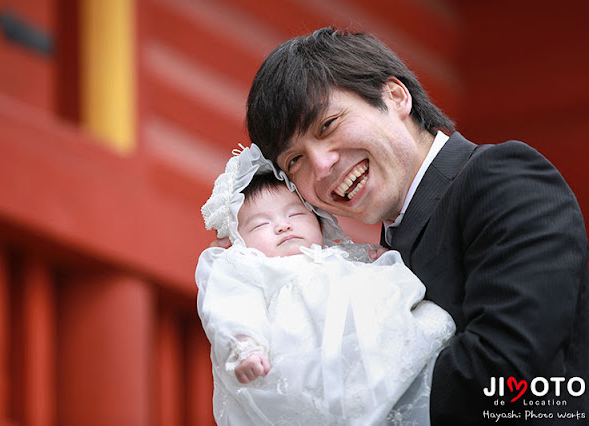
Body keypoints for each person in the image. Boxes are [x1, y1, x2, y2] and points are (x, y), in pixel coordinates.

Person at [238, 26, 589, 424]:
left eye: (328, 124)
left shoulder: (502, 177)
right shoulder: (379, 258)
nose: (321, 165)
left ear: (395, 96)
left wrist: (348, 402)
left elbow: (511, 368)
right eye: (295, 161)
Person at [196, 144, 455, 425]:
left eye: (295, 215)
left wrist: (377, 264)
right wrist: (246, 345)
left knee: (431, 323)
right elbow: (234, 304)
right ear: (238, 242)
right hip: (305, 367)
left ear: (320, 224)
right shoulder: (252, 268)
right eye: (260, 225)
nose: (283, 226)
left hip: (365, 351)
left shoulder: (339, 260)